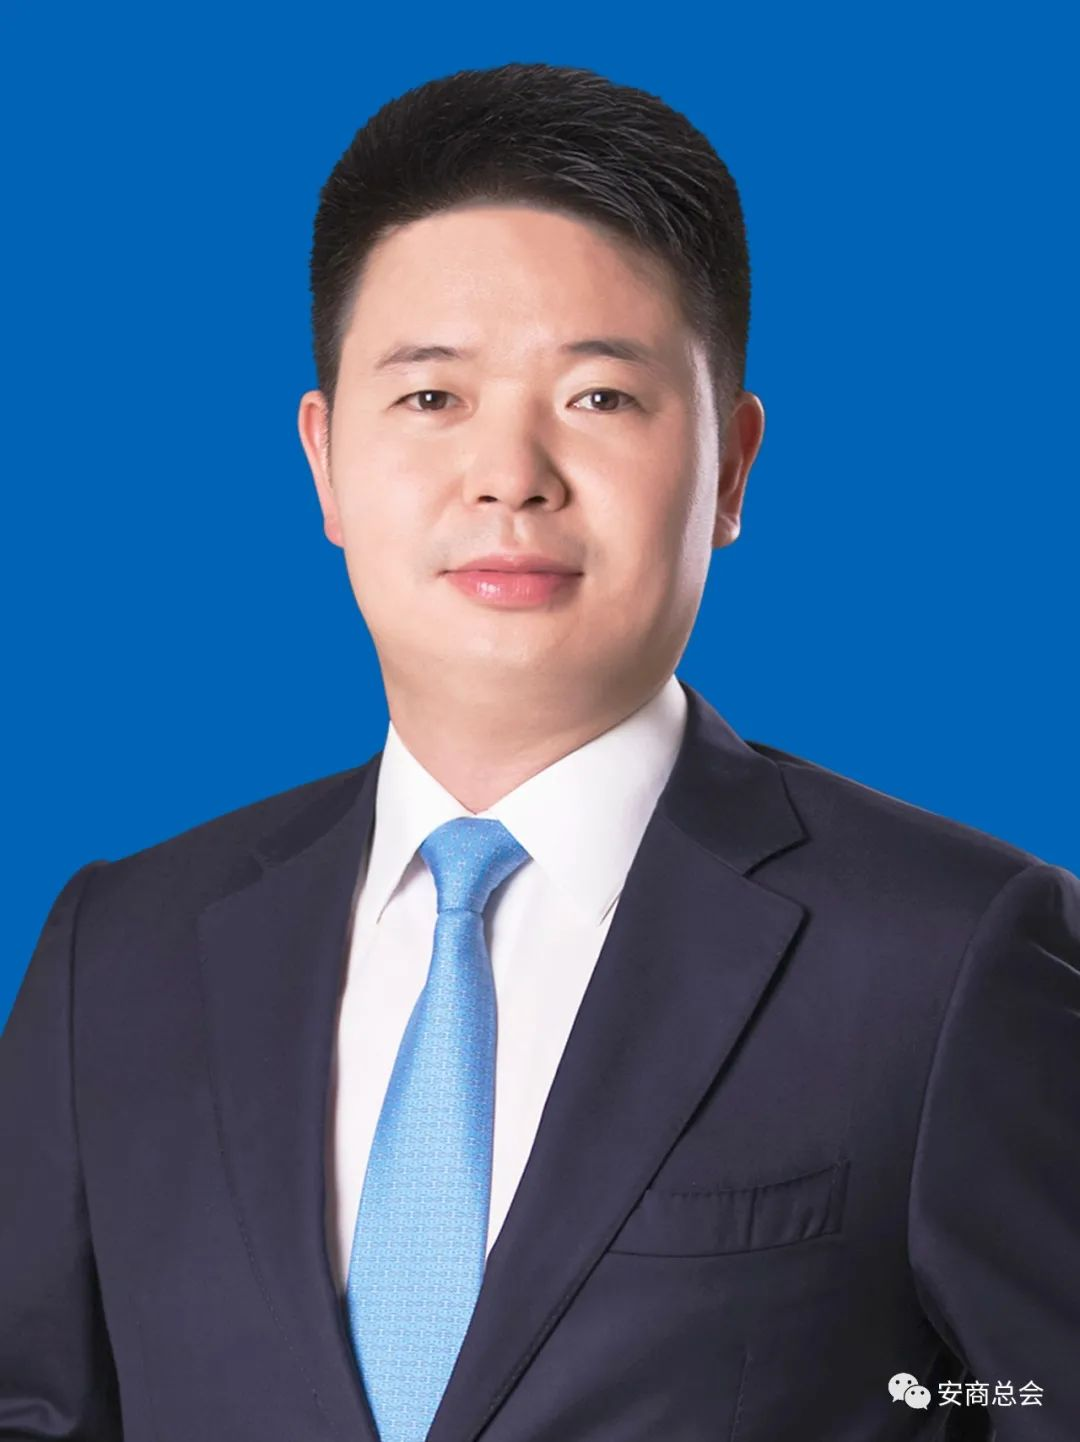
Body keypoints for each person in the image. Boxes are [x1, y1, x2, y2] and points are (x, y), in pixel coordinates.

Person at [1, 60, 1077, 1442]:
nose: (510, 475)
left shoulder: (947, 955)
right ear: (324, 461)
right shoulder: (117, 957)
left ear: (732, 467)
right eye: (431, 398)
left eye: (601, 397)